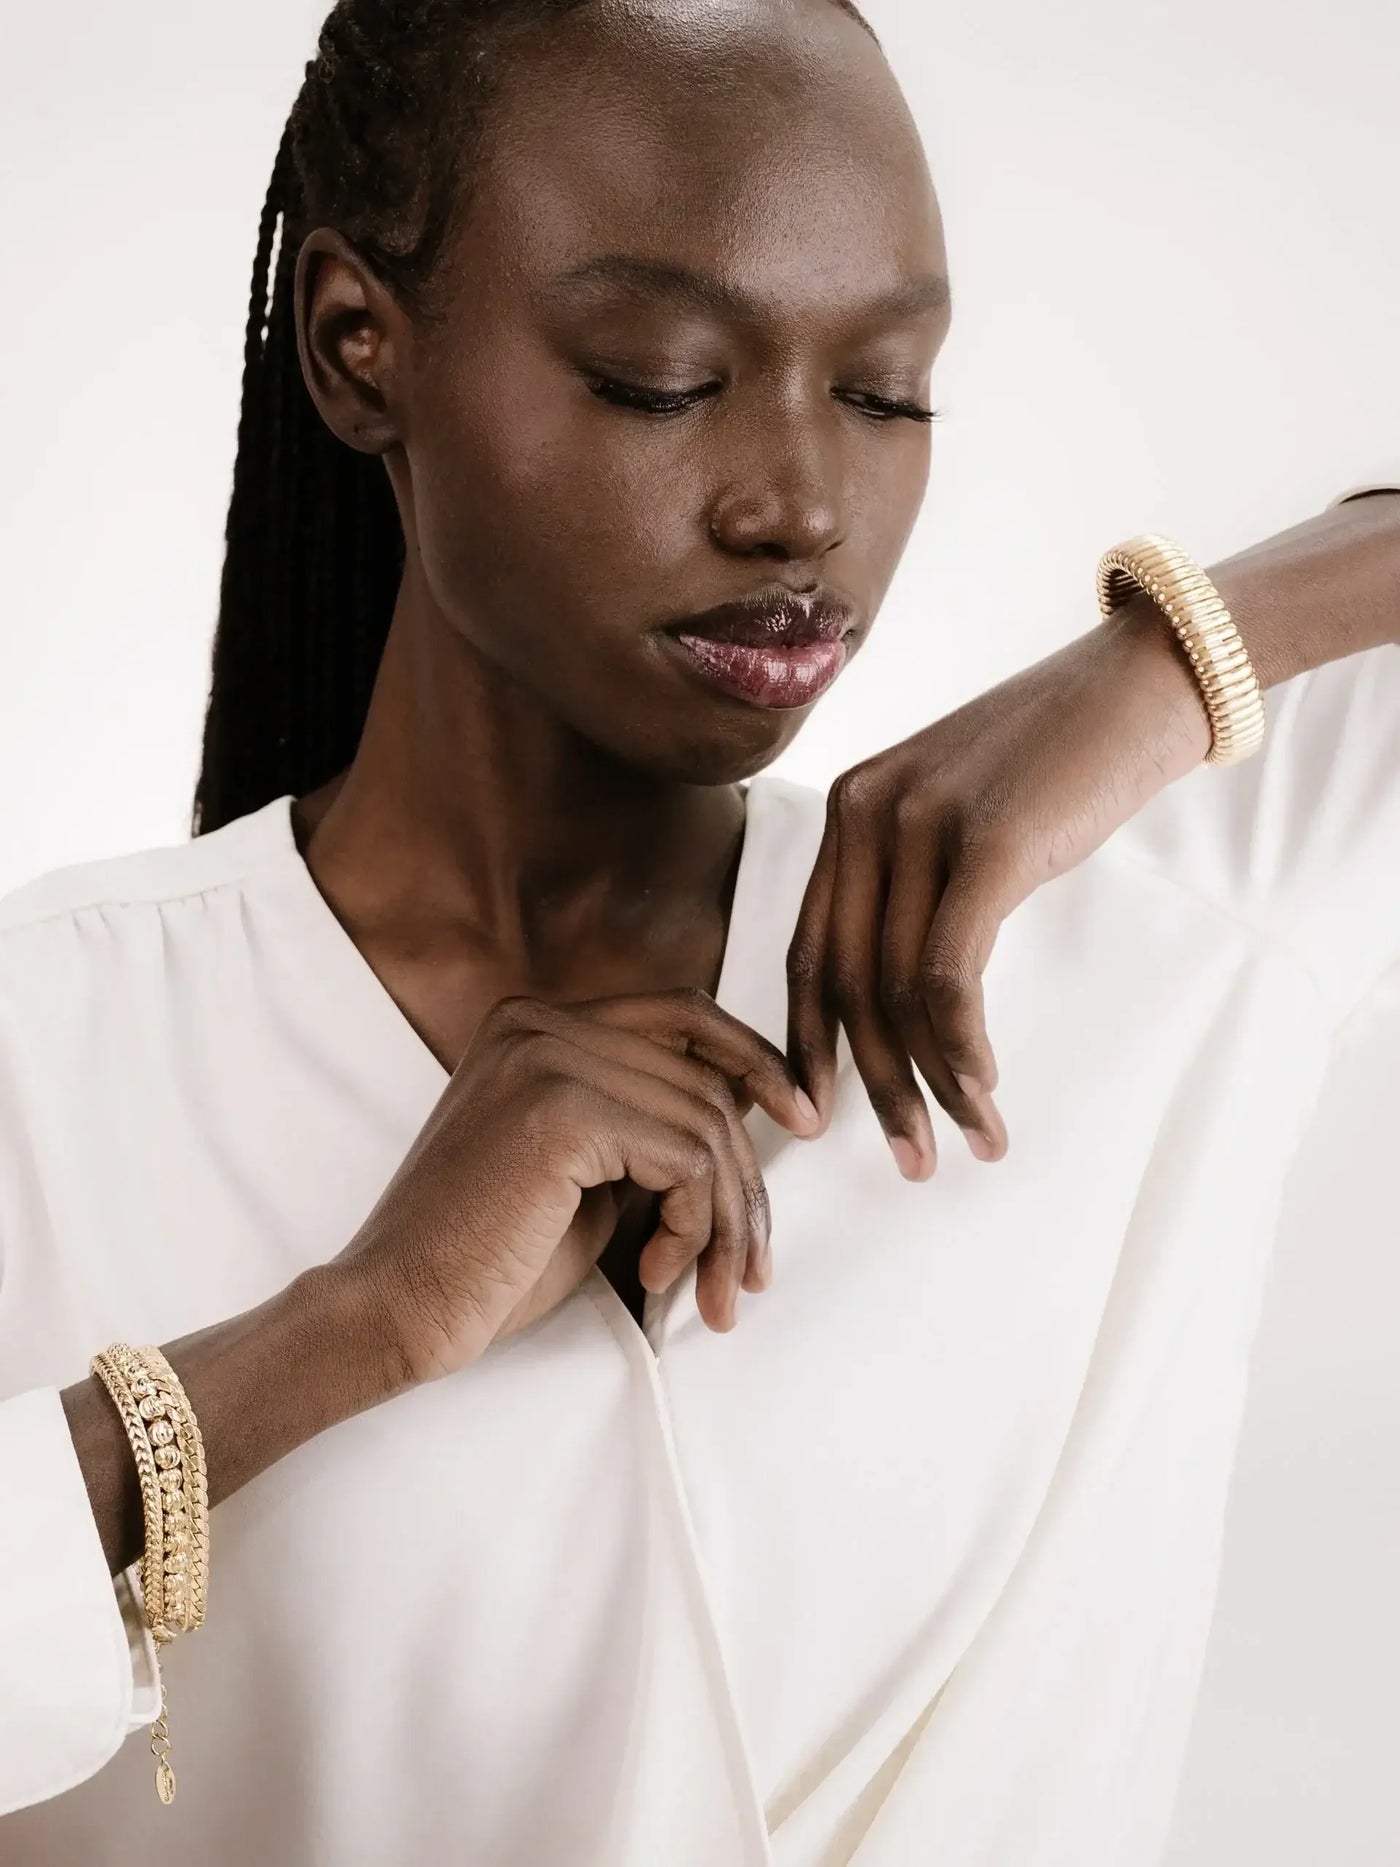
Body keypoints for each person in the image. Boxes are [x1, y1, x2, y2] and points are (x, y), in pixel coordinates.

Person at [0, 1, 1395, 1861]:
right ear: (357, 345)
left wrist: (1163, 663)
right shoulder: (44, 1049)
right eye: (661, 379)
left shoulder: (1149, 925)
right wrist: (342, 1333)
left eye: (886, 391)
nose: (800, 506)